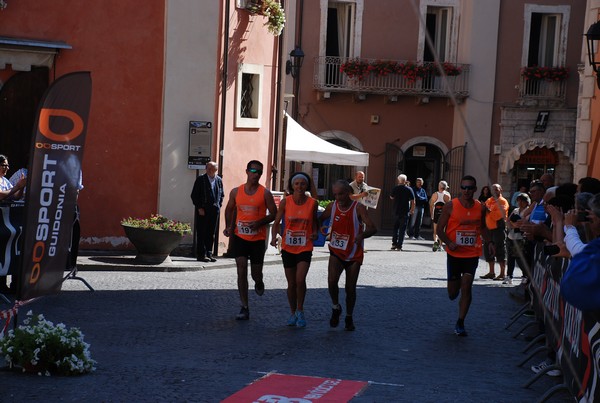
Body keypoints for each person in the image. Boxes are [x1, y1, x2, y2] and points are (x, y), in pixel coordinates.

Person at [436, 175, 493, 336]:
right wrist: (448, 242)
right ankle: (457, 284)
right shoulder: (450, 206)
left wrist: (489, 242)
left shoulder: (480, 207)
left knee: (467, 285)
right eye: (464, 188)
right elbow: (440, 229)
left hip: (471, 253)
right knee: (452, 294)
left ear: (475, 189)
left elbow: (482, 227)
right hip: (454, 253)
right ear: (460, 189)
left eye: (470, 188)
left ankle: (460, 322)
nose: (467, 191)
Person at [319, 180, 377, 331]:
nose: (338, 197)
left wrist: (362, 236)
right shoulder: (332, 206)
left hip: (353, 253)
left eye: (341, 194)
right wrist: (320, 228)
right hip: (336, 251)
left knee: (350, 287)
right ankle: (335, 307)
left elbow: (372, 228)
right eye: (335, 194)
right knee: (332, 281)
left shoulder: (358, 208)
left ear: (349, 194)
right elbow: (320, 219)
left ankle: (349, 317)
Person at [223, 160, 277, 321]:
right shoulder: (236, 192)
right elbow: (229, 209)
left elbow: (274, 214)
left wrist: (259, 222)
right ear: (247, 171)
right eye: (254, 171)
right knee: (241, 269)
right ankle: (244, 306)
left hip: (258, 239)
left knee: (255, 274)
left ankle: (259, 282)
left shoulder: (265, 193)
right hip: (240, 237)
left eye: (260, 172)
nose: (256, 174)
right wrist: (228, 227)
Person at [270, 172, 318, 327]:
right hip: (288, 246)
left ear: (306, 186)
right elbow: (277, 222)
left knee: (300, 279)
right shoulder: (285, 202)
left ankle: (300, 310)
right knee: (291, 283)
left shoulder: (312, 203)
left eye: (302, 184)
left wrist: (315, 232)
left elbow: (315, 222)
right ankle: (292, 313)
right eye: (296, 184)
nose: (299, 186)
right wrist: (273, 237)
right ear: (292, 185)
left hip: (304, 246)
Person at [191, 161, 224, 262]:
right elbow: (194, 195)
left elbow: (222, 194)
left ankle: (209, 253)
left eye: (211, 168)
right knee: (202, 232)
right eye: (208, 168)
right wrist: (199, 207)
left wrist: (219, 205)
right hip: (203, 210)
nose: (209, 170)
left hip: (214, 210)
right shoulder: (201, 179)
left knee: (211, 233)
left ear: (216, 170)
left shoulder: (219, 180)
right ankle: (201, 254)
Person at [479, 184, 509, 281]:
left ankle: (502, 273)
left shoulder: (503, 201)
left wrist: (487, 210)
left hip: (498, 228)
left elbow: (498, 215)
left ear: (501, 190)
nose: (494, 191)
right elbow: (484, 211)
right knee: (487, 250)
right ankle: (491, 272)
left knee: (500, 249)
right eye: (493, 190)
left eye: (496, 189)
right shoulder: (489, 200)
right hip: (488, 229)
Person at [504, 193, 530, 285]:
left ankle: (525, 276)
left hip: (521, 237)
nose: (520, 203)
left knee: (520, 257)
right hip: (512, 236)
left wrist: (515, 225)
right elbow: (508, 221)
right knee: (510, 257)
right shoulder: (515, 210)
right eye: (519, 200)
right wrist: (514, 225)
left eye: (522, 201)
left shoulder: (528, 211)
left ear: (527, 202)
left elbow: (524, 223)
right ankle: (509, 275)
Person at [389, 174, 415, 251]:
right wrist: (412, 209)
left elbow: (391, 197)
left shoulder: (395, 188)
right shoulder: (409, 189)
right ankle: (399, 246)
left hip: (396, 210)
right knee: (402, 229)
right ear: (405, 180)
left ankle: (394, 244)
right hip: (405, 211)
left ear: (398, 180)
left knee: (395, 228)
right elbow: (413, 200)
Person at [430, 180, 451, 251]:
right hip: (443, 214)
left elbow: (431, 205)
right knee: (442, 230)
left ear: (439, 186)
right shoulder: (447, 195)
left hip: (436, 213)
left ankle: (435, 241)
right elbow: (449, 206)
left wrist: (431, 214)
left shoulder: (435, 194)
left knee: (435, 231)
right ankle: (440, 245)